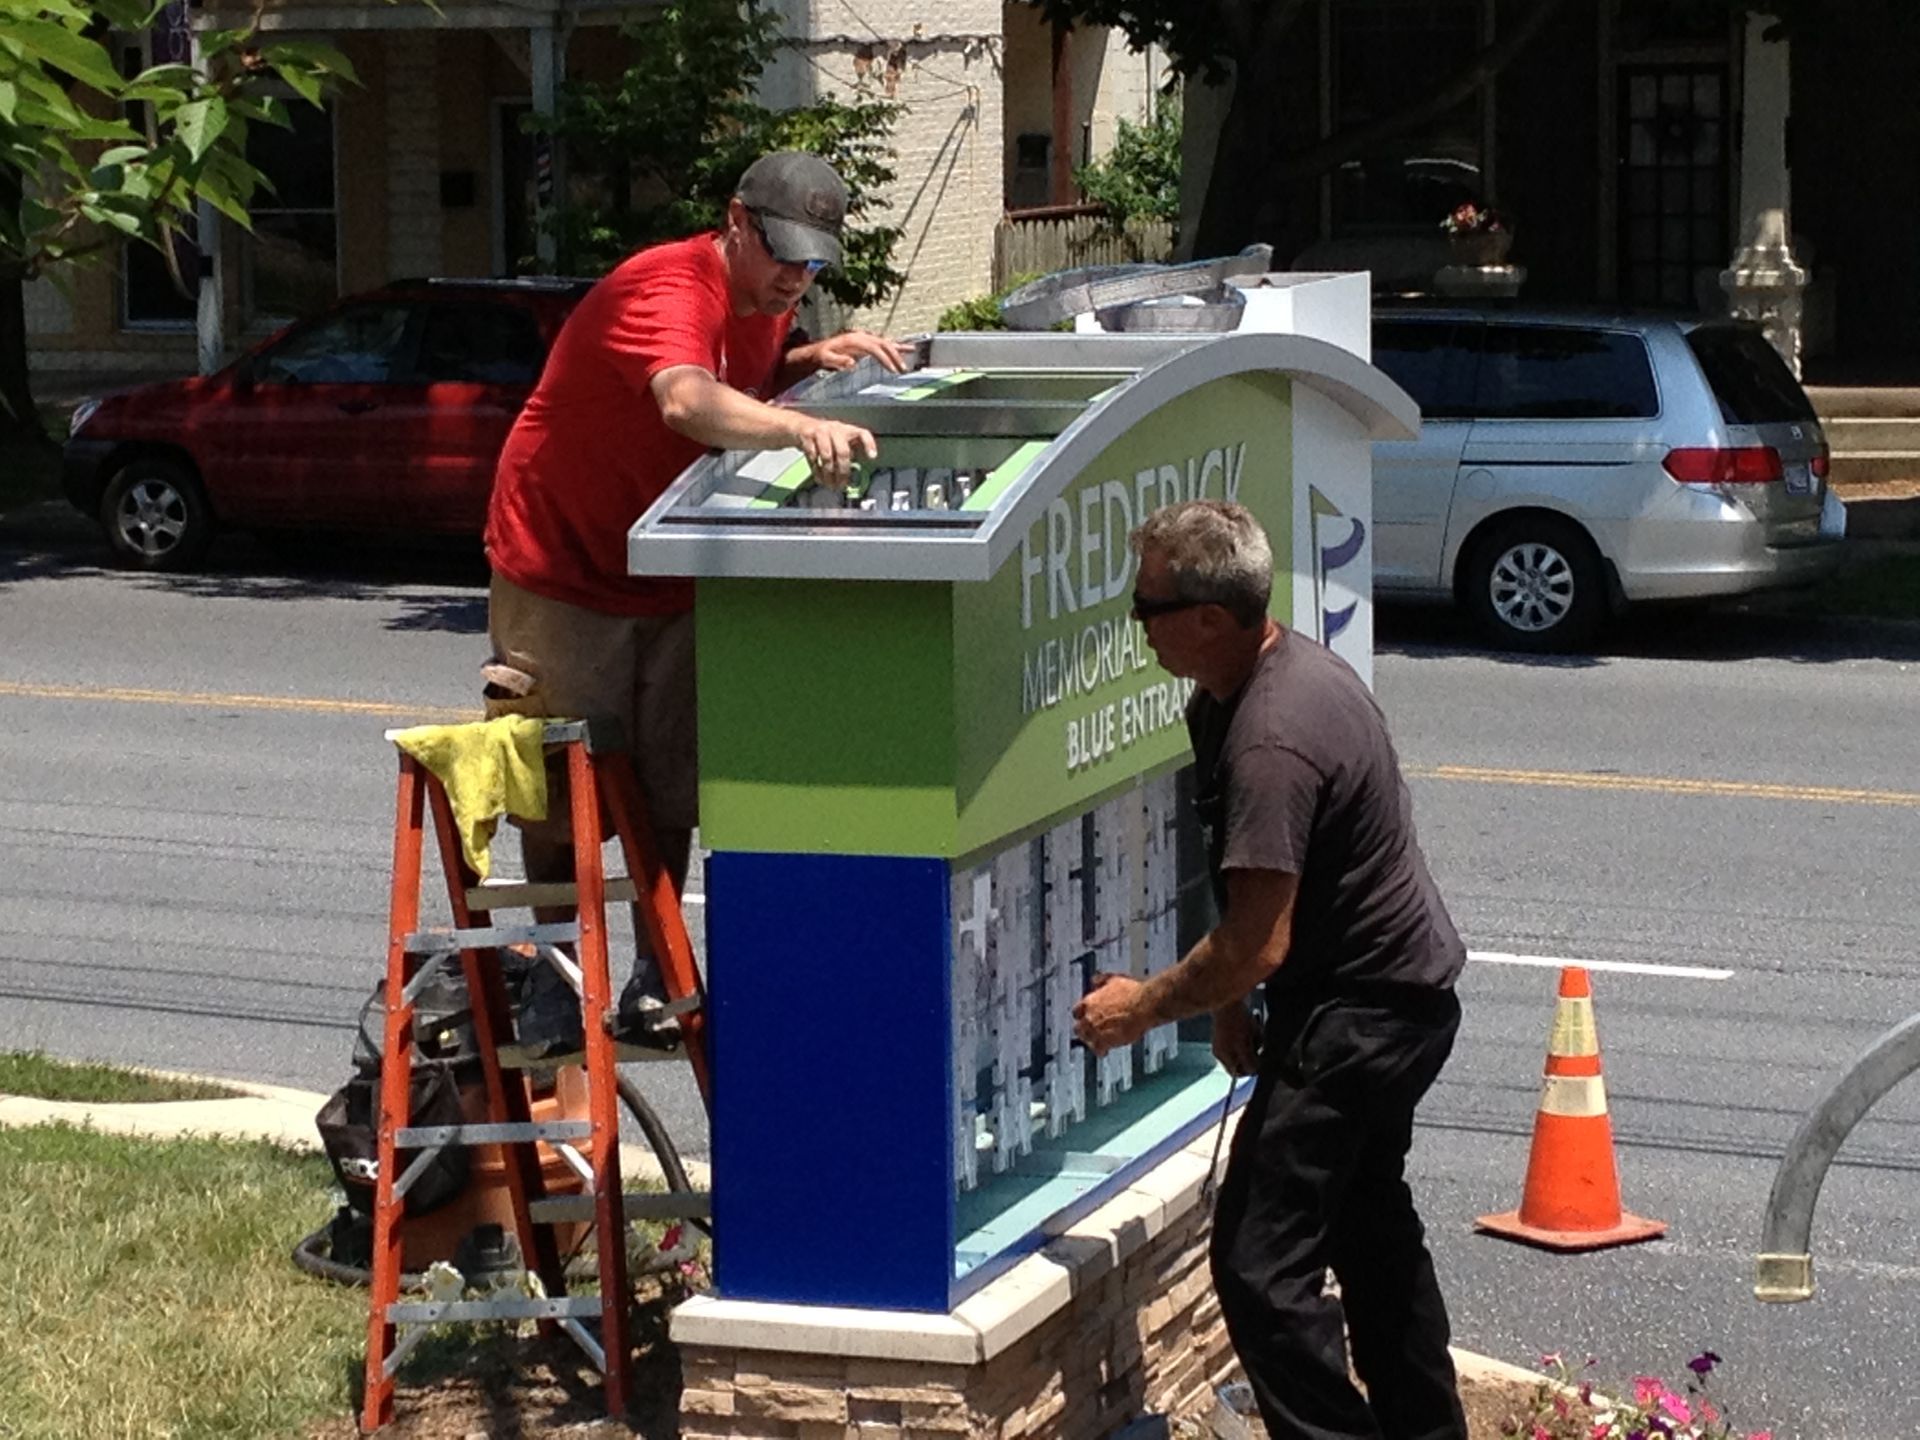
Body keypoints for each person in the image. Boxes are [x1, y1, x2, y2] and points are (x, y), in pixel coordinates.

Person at [484, 151, 907, 1048]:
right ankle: (554, 978)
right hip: (565, 566)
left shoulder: (766, 303)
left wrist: (804, 361)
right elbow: (684, 396)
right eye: (785, 253)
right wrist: (800, 423)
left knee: (666, 784)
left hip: (669, 567)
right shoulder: (666, 286)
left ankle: (657, 976)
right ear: (735, 223)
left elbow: (736, 374)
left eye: (815, 261)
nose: (799, 275)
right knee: (562, 788)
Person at [1072, 500, 1469, 1440]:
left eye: (1145, 609)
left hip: (1366, 1018)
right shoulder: (1233, 693)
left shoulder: (1271, 735)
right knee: (1371, 1230)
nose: (1138, 625)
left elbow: (1258, 942)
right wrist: (1228, 1008)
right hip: (1380, 1001)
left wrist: (1145, 1008)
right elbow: (1252, 895)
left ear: (1209, 618)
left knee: (1258, 1265)